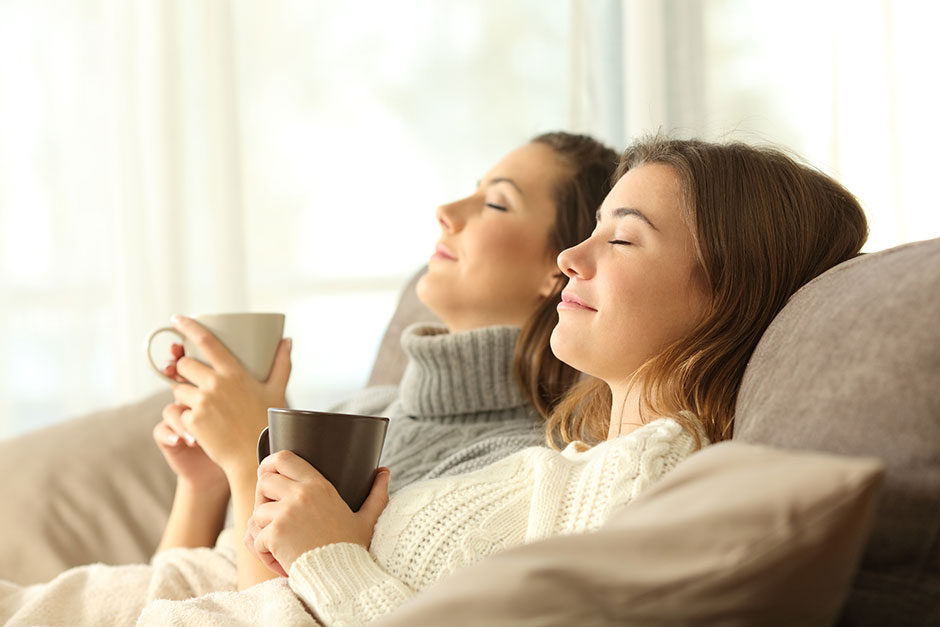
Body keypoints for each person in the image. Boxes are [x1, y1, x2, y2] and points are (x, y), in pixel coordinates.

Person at [130, 135, 869, 625]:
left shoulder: (650, 483)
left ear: (728, 288)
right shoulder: (559, 468)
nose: (570, 261)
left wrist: (323, 551)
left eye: (621, 238)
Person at [0, 132, 619, 624]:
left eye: (494, 202)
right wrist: (204, 483)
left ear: (561, 267)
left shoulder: (514, 462)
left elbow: (268, 613)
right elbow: (190, 590)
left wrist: (251, 454)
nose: (446, 212)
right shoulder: (369, 406)